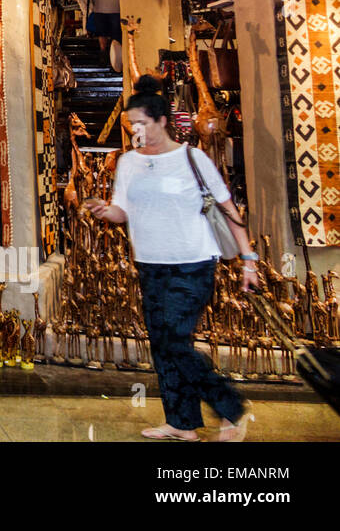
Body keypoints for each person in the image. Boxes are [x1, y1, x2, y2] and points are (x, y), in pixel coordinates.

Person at [84, 75, 256, 442]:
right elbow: (121, 211)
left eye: (143, 123)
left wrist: (249, 259)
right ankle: (181, 423)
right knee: (162, 344)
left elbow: (228, 208)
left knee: (176, 341)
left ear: (162, 121)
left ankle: (231, 408)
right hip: (149, 263)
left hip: (193, 263)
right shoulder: (128, 163)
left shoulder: (192, 158)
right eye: (132, 125)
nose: (137, 130)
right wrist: (103, 209)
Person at [85, 0, 121, 64]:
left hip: (100, 10)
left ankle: (104, 54)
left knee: (102, 33)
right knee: (116, 34)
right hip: (116, 10)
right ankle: (116, 56)